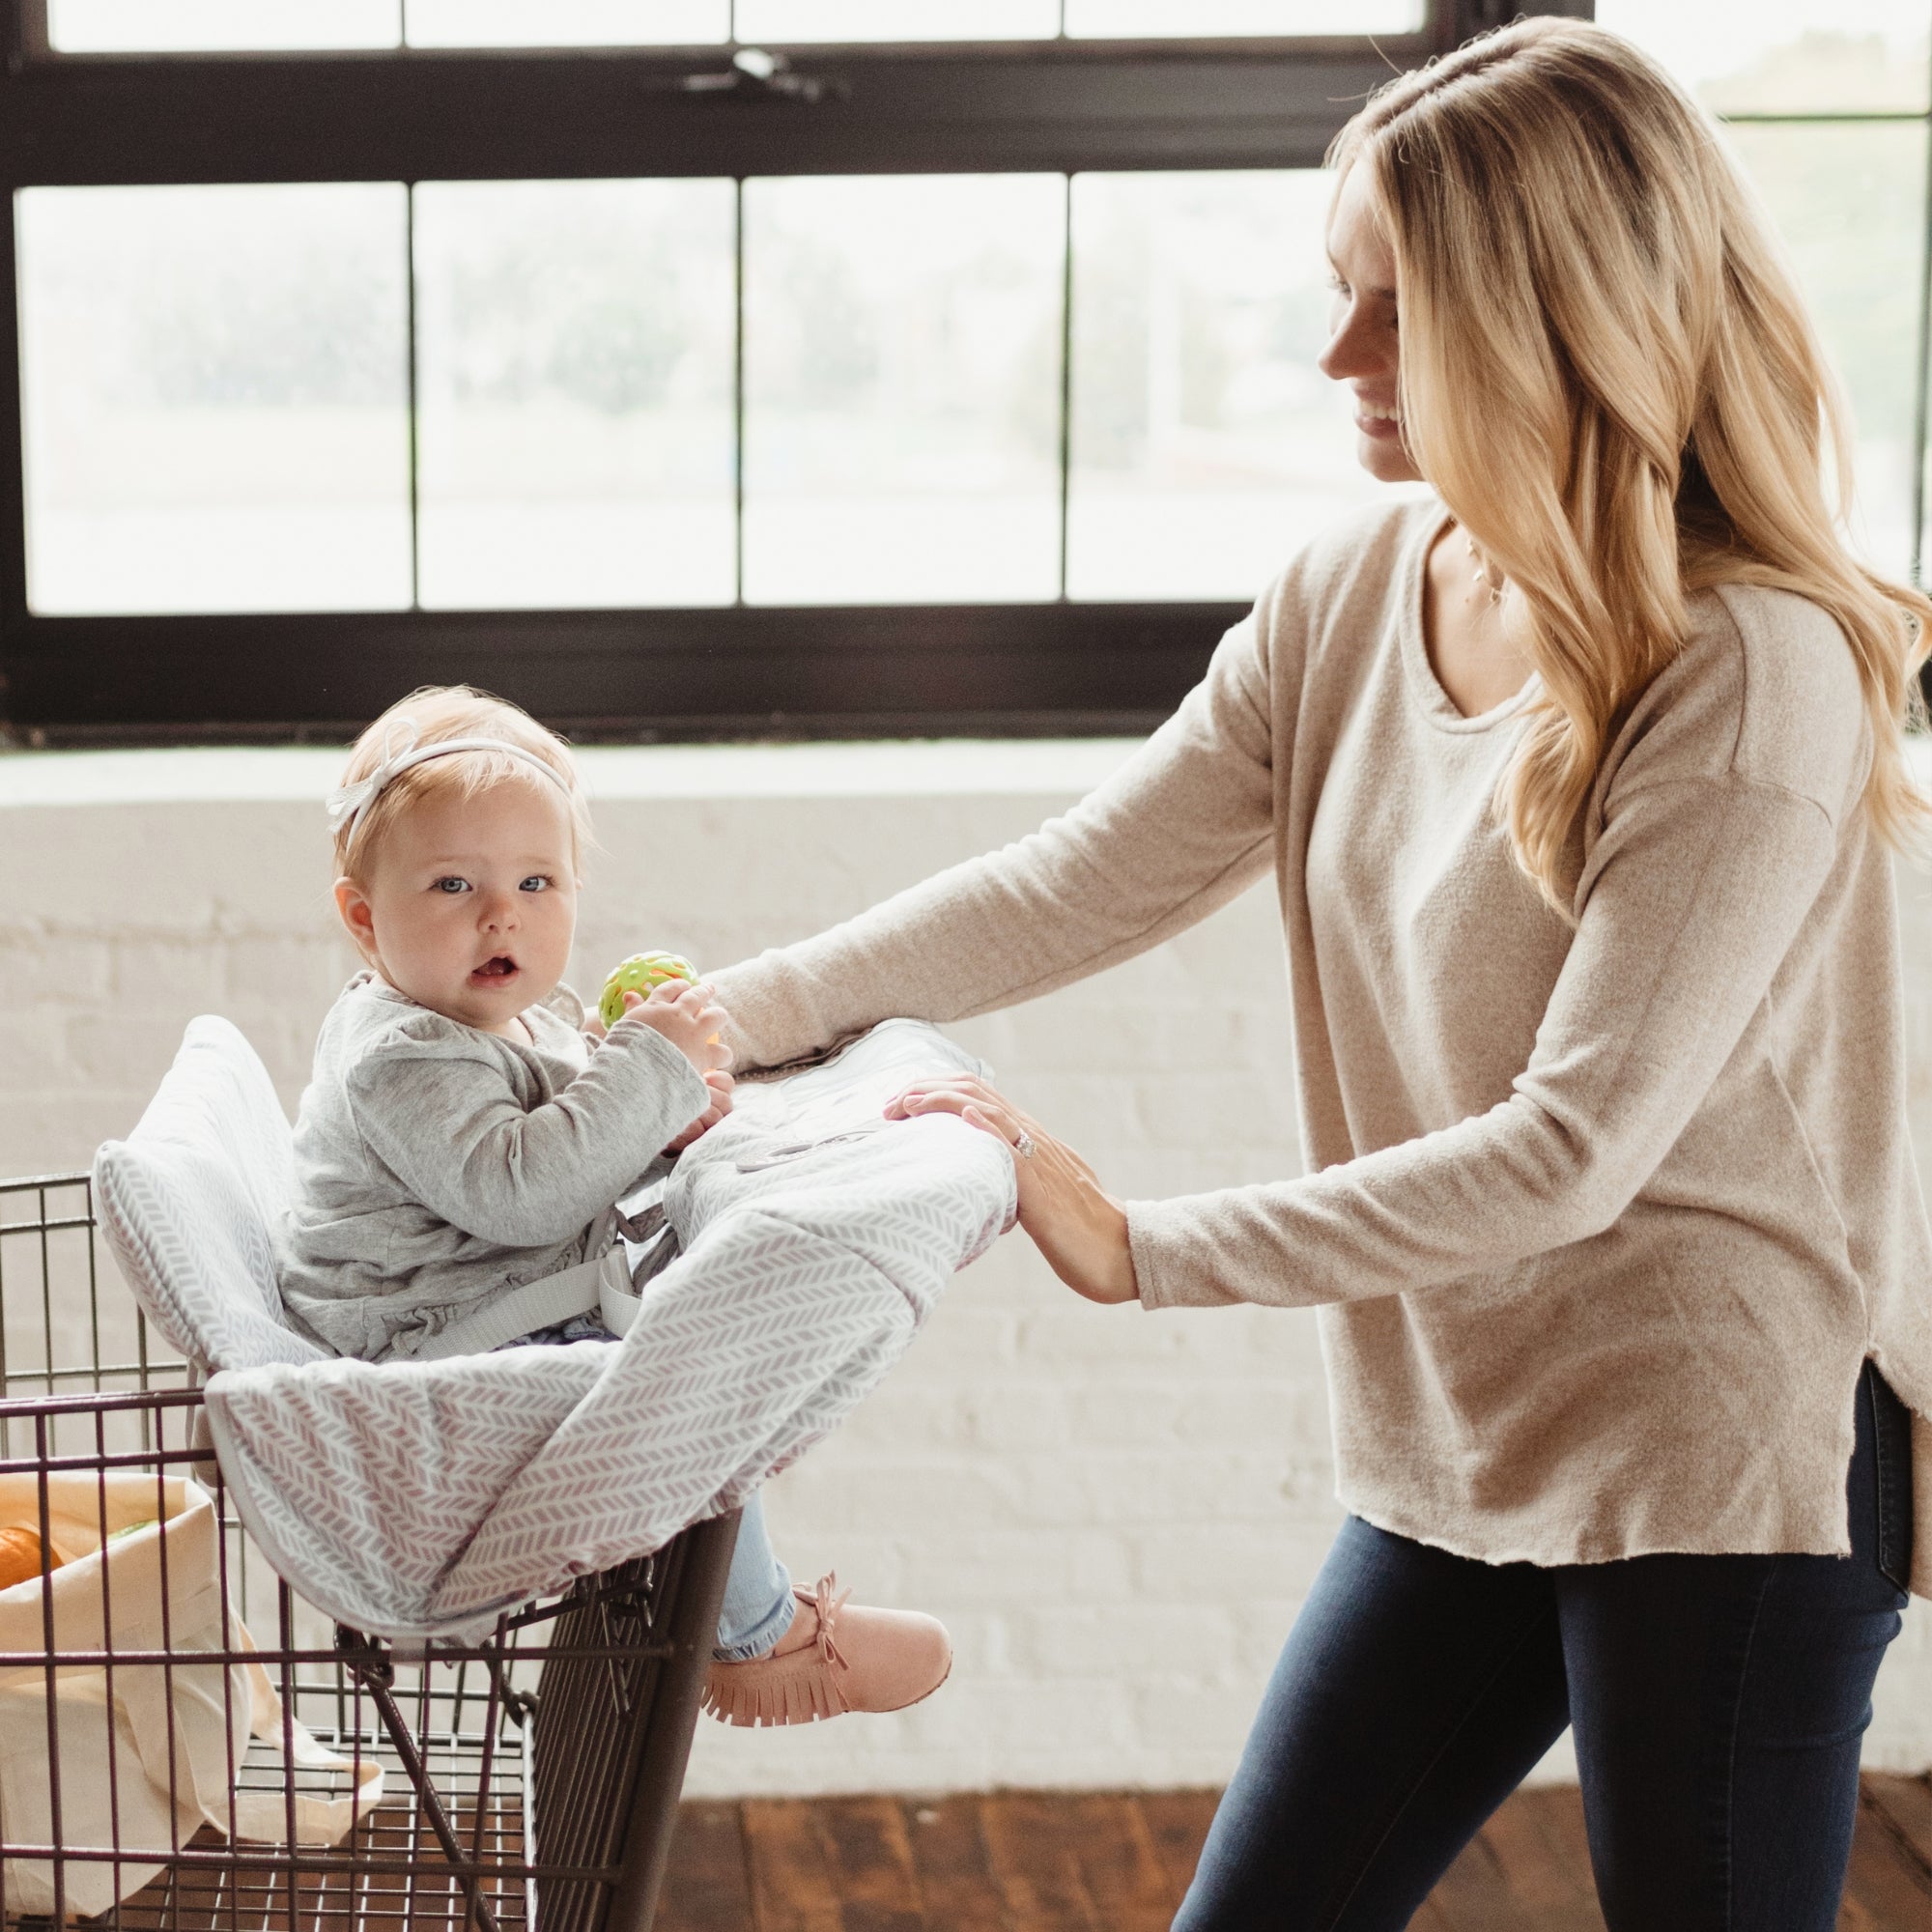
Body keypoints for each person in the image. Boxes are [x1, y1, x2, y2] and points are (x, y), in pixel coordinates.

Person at [709, 19, 1931, 1926]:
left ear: (1549, 324)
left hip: (1719, 1450)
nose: (1335, 361)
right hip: (1468, 1407)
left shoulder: (1747, 666)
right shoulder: (1360, 585)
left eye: (1394, 314)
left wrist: (1137, 1243)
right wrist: (741, 1012)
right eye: (1338, 298)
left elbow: (1572, 1149)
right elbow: (1092, 873)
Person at [277, 685, 952, 1728]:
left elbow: (557, 1142)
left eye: (535, 880)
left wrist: (657, 1108)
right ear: (363, 916)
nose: (500, 912)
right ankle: (753, 1635)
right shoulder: (400, 1053)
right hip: (426, 1342)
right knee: (687, 1368)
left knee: (695, 1268)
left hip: (474, 1297)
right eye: (452, 882)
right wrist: (645, 1067)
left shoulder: (490, 1019)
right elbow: (519, 1186)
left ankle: (724, 1584)